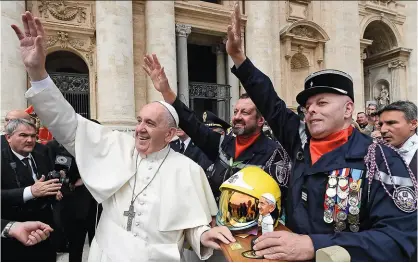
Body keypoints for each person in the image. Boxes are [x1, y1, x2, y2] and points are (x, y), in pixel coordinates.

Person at [12, 11, 235, 261]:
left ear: (171, 134)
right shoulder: (117, 146)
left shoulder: (188, 170)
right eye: (139, 120)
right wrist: (38, 74)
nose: (139, 128)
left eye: (150, 123)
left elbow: (191, 225)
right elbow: (68, 124)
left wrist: (202, 236)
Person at [220, 2, 417, 261]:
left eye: (322, 103)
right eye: (308, 105)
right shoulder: (300, 139)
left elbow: (400, 239)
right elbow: (271, 102)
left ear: (348, 109)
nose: (311, 110)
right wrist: (239, 59)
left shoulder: (380, 160)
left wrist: (315, 245)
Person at [143, 55, 290, 203]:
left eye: (245, 112)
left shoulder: (273, 155)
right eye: (235, 112)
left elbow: (277, 202)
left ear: (260, 120)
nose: (237, 117)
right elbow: (192, 123)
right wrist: (166, 90)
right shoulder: (222, 144)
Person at [1, 118, 60, 262]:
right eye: (23, 135)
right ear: (8, 137)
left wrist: (53, 191)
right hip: (13, 236)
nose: (29, 140)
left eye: (33, 136)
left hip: (44, 231)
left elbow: (46, 185)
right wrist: (30, 192)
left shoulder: (41, 156)